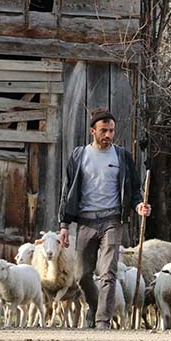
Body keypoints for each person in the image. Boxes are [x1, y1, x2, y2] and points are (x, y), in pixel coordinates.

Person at [58, 110, 151, 329]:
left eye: (111, 131)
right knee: (82, 275)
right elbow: (68, 191)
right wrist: (64, 225)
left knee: (108, 272)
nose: (108, 135)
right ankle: (95, 307)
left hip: (112, 220)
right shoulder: (79, 156)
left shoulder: (122, 156)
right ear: (93, 131)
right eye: (104, 131)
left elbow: (134, 190)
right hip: (86, 220)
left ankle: (103, 321)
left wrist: (139, 205)